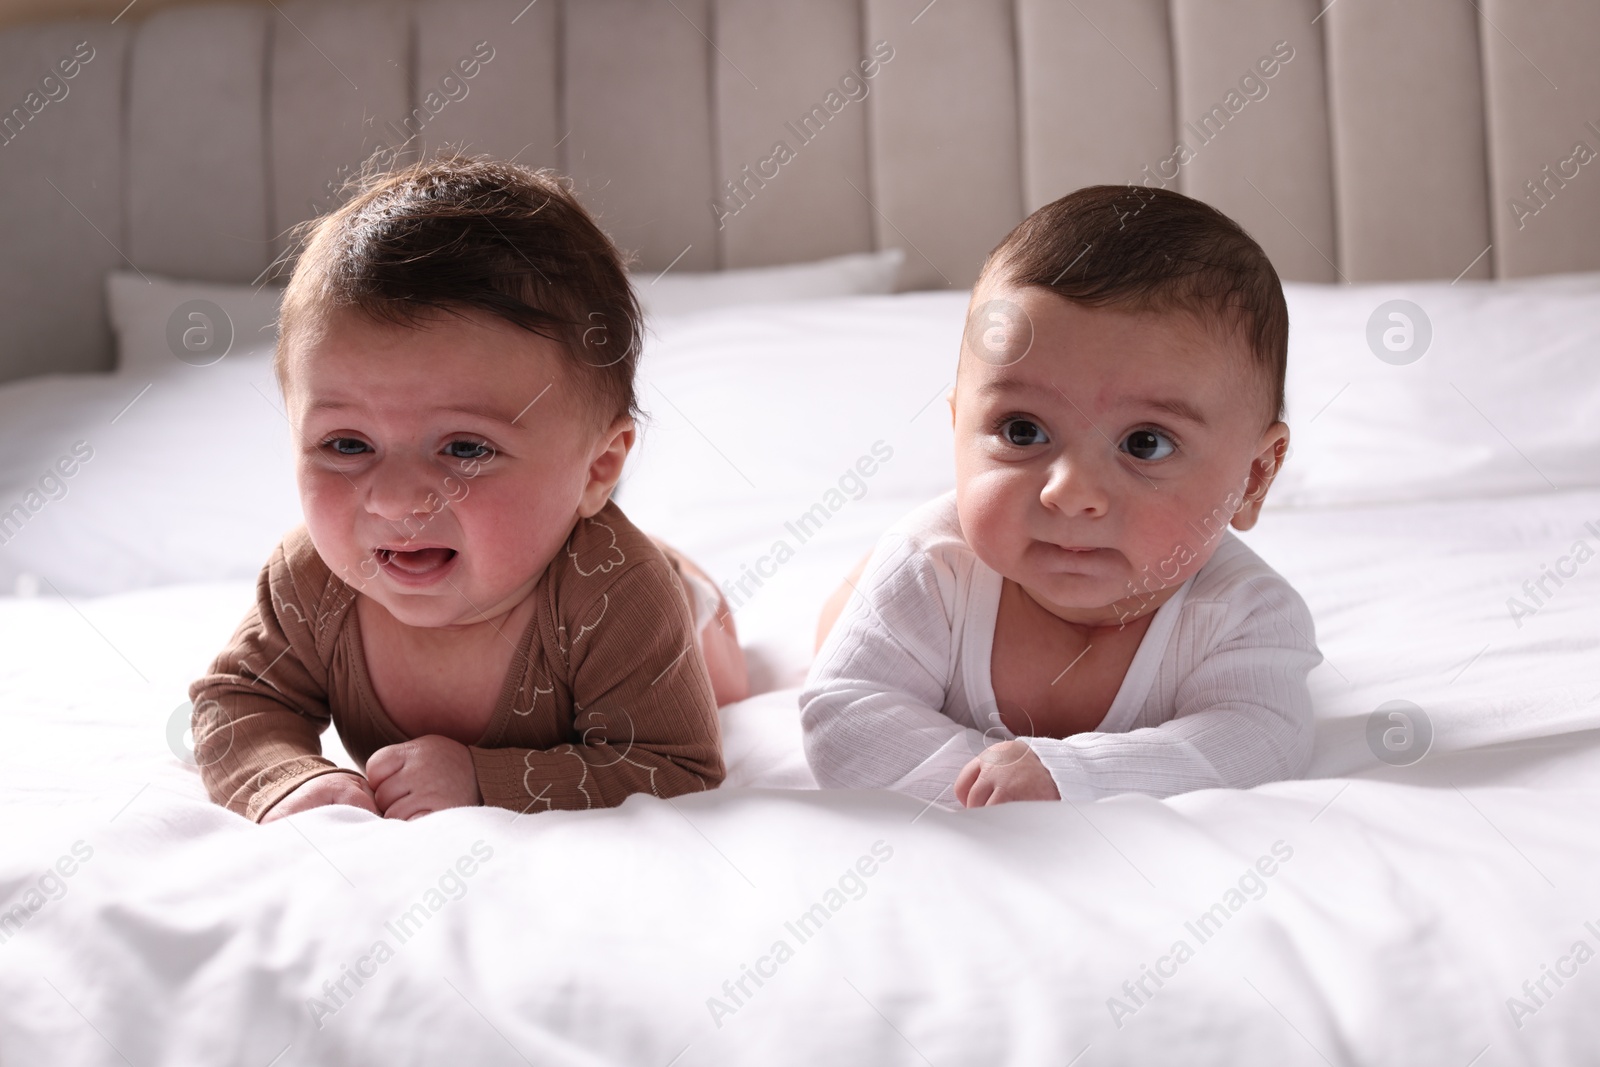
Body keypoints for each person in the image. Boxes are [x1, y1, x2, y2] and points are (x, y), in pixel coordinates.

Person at [189, 154, 746, 823]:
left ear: (599, 468)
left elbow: (677, 764)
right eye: (347, 445)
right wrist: (281, 776)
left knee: (728, 677)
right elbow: (236, 699)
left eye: (465, 448)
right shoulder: (310, 581)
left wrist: (485, 780)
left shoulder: (616, 591)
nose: (394, 502)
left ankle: (690, 585)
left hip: (673, 607)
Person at [802, 185, 1321, 809]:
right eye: (1023, 431)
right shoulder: (931, 572)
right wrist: (991, 785)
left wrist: (1069, 776)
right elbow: (845, 718)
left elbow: (1259, 739)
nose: (1070, 493)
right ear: (958, 426)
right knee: (836, 625)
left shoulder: (1243, 613)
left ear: (1255, 478)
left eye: (1146, 443)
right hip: (897, 592)